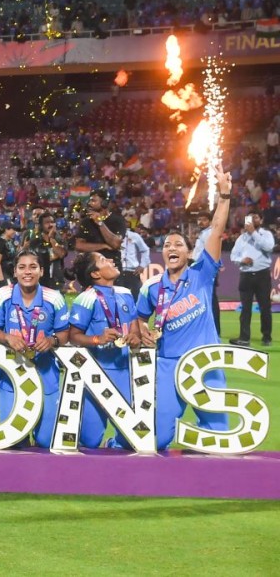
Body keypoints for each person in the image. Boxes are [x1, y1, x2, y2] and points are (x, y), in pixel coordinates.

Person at [137, 173, 232, 450]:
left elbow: (216, 230)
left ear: (190, 254)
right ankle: (122, 442)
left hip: (205, 360)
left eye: (178, 244)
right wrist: (143, 333)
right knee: (157, 439)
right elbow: (139, 320)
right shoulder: (152, 287)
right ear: (163, 254)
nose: (172, 247)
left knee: (217, 440)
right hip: (168, 363)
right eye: (167, 245)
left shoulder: (202, 274)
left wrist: (224, 196)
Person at [0, 250, 69, 447]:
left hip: (46, 374)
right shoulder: (3, 295)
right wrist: (7, 337)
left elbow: (65, 335)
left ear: (41, 271)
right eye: (22, 267)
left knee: (45, 440)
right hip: (11, 375)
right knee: (14, 439)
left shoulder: (54, 298)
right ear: (14, 272)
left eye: (33, 267)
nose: (27, 272)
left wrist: (52, 340)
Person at [68, 251, 142, 449]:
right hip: (97, 373)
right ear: (95, 274)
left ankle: (113, 446)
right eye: (103, 260)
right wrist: (97, 339)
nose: (110, 260)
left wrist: (135, 337)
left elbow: (134, 327)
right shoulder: (85, 299)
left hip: (126, 372)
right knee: (90, 440)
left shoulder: (125, 293)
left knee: (131, 438)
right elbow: (72, 336)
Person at [229, 211, 274, 347]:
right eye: (250, 217)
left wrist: (253, 232)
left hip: (262, 275)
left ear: (261, 219)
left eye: (256, 217)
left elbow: (269, 247)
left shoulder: (266, 234)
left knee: (265, 307)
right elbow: (233, 256)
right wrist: (242, 260)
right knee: (245, 309)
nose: (252, 219)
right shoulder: (241, 238)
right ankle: (244, 338)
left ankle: (266, 336)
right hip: (246, 276)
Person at [74, 189, 126, 271]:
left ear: (104, 203)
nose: (89, 203)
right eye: (90, 201)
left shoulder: (118, 220)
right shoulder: (86, 221)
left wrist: (99, 222)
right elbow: (79, 246)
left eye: (93, 201)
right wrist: (104, 246)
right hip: (90, 267)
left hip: (111, 266)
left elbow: (116, 244)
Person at [191, 211, 220, 335]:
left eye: (203, 219)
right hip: (199, 268)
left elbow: (209, 252)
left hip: (206, 269)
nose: (200, 222)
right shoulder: (203, 233)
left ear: (209, 221)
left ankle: (214, 330)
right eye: (199, 219)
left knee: (210, 300)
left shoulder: (210, 233)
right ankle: (209, 329)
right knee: (204, 299)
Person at [25, 211, 67, 290]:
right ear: (41, 226)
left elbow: (61, 254)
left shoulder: (60, 240)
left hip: (57, 282)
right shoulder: (35, 243)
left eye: (52, 222)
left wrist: (52, 238)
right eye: (47, 222)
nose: (50, 225)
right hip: (39, 282)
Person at [117, 226, 150, 300]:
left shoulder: (134, 236)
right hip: (117, 271)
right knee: (119, 298)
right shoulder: (110, 235)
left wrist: (142, 265)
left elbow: (145, 250)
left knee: (137, 297)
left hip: (132, 271)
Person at [0, 221, 18, 291]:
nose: (14, 232)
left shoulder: (10, 241)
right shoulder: (0, 242)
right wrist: (1, 280)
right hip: (3, 274)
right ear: (6, 230)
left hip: (10, 274)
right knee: (7, 295)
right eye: (13, 229)